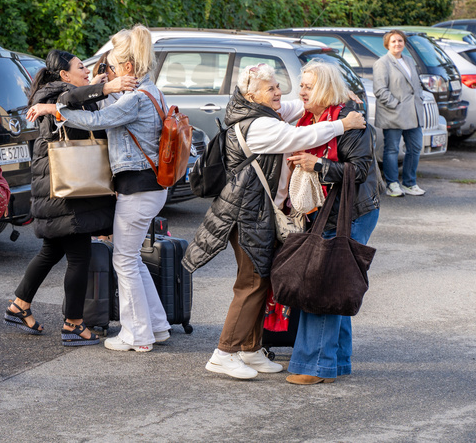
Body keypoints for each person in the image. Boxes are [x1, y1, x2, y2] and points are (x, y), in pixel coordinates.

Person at [182, 64, 367, 380]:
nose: (280, 93)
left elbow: (300, 105)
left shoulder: (266, 111)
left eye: (279, 86)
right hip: (246, 215)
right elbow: (300, 134)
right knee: (251, 283)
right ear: (252, 95)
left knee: (261, 279)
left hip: (257, 213)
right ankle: (223, 352)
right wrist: (343, 123)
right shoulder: (258, 126)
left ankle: (251, 349)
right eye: (272, 89)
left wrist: (339, 95)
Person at [4, 49, 134, 347]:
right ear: (64, 75)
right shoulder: (58, 94)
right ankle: (73, 324)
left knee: (51, 251)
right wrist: (106, 87)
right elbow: (69, 101)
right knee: (79, 256)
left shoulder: (60, 91)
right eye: (80, 68)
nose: (85, 71)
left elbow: (77, 98)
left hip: (59, 187)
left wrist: (97, 83)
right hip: (67, 188)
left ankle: (19, 305)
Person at [55, 24, 171, 352]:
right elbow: (112, 112)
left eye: (114, 67)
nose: (111, 72)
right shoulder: (152, 92)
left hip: (138, 188)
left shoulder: (136, 99)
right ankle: (157, 326)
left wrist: (59, 111)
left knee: (124, 259)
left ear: (129, 68)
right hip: (151, 186)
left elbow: (96, 121)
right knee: (130, 257)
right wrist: (103, 89)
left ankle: (138, 335)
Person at [285, 60, 380, 385]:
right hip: (326, 209)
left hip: (352, 210)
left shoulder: (349, 120)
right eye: (301, 86)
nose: (301, 92)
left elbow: (360, 171)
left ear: (325, 89)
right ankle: (334, 363)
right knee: (336, 281)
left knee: (323, 283)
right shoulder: (309, 118)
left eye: (308, 87)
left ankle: (314, 366)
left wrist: (319, 165)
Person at [373, 30, 426, 198]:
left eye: (400, 41)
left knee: (415, 147)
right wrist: (395, 105)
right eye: (394, 41)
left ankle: (410, 183)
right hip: (393, 114)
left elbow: (415, 85)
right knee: (392, 149)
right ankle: (392, 184)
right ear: (387, 44)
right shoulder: (383, 63)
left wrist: (420, 98)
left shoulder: (409, 61)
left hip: (413, 113)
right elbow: (380, 89)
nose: (397, 44)